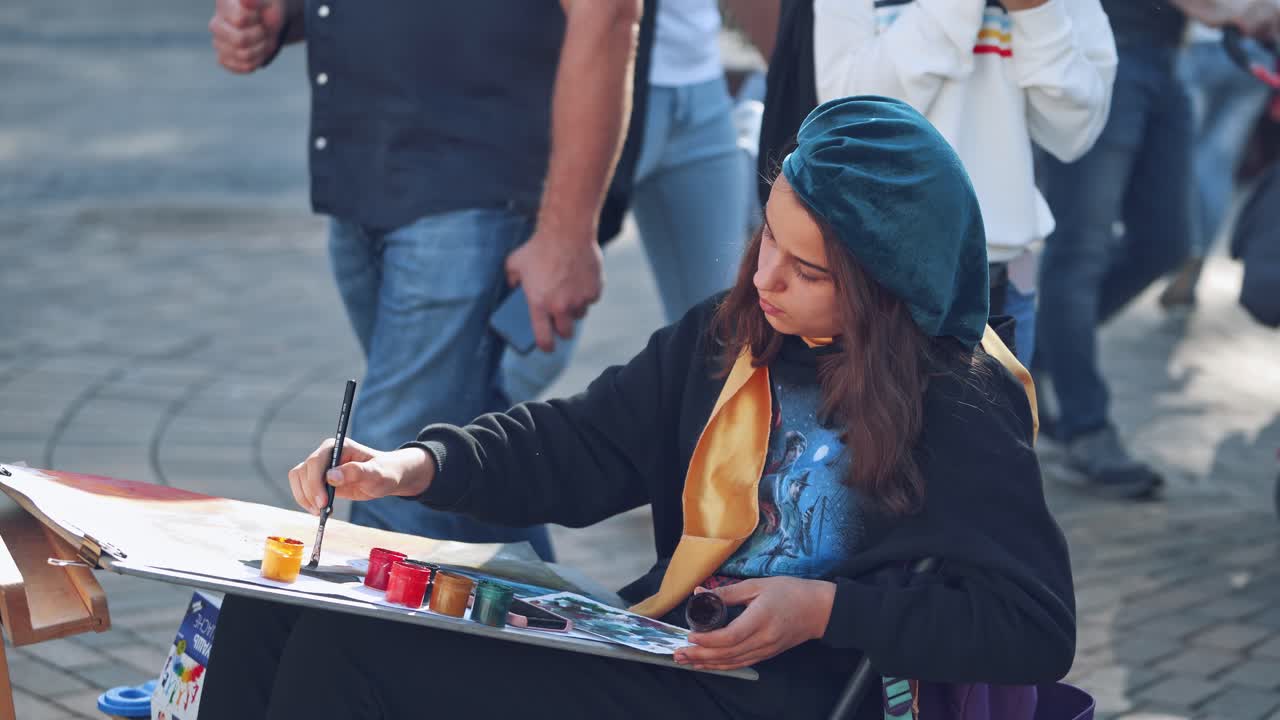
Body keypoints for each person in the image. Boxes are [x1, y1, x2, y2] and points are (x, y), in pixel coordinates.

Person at [200, 97, 1076, 719]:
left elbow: (1032, 629)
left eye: (809, 271)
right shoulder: (734, 333)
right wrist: (412, 465)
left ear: (887, 288)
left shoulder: (958, 397)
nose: (766, 278)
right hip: (666, 648)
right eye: (768, 237)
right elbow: (582, 442)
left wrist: (824, 611)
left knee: (352, 653)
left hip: (787, 694)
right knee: (275, 604)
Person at [208, 0, 641, 556]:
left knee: (386, 465)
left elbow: (608, 15)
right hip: (362, 180)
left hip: (475, 191)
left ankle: (356, 614)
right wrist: (286, 16)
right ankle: (543, 609)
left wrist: (568, 232)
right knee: (461, 453)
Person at [756, 0, 1117, 367]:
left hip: (1000, 284)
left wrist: (1034, 10)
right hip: (868, 287)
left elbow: (1075, 132)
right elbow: (851, 120)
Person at [1035, 0, 1259, 498]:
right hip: (1102, 54)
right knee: (1079, 250)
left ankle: (1040, 352)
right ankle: (1085, 429)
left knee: (1166, 244)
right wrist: (1224, 10)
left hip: (1166, 60)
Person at [500, 0, 750, 401]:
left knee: (724, 353)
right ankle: (430, 434)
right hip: (598, 75)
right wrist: (564, 237)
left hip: (702, 83)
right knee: (529, 351)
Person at [1161, 7, 1280, 309]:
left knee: (1185, 160)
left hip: (1204, 39)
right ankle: (1194, 258)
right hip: (1258, 49)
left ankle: (1177, 249)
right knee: (1217, 166)